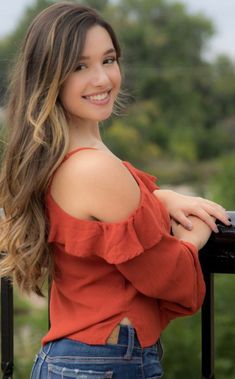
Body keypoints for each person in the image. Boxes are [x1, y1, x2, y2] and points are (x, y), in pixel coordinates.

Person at [0, 2, 230, 378]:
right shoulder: (93, 167)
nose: (102, 79)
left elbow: (100, 225)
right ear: (50, 77)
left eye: (108, 60)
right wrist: (196, 238)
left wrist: (163, 197)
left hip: (74, 358)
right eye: (79, 66)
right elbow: (172, 279)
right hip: (105, 363)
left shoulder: (59, 157)